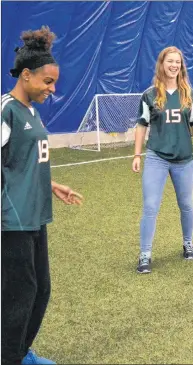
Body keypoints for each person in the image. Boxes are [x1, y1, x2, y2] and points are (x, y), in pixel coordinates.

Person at [1, 26, 83, 365]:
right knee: (20, 294)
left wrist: (50, 184)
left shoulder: (31, 111)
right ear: (26, 75)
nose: (52, 89)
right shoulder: (6, 110)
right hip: (12, 219)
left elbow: (22, 161)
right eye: (47, 82)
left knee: (40, 290)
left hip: (36, 212)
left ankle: (19, 353)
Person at [132, 46, 193, 274]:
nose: (174, 65)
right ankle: (145, 254)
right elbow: (141, 125)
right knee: (150, 206)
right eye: (170, 61)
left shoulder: (189, 94)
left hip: (184, 159)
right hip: (157, 157)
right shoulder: (150, 95)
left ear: (181, 66)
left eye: (177, 62)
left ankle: (188, 243)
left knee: (186, 204)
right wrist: (137, 154)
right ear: (162, 64)